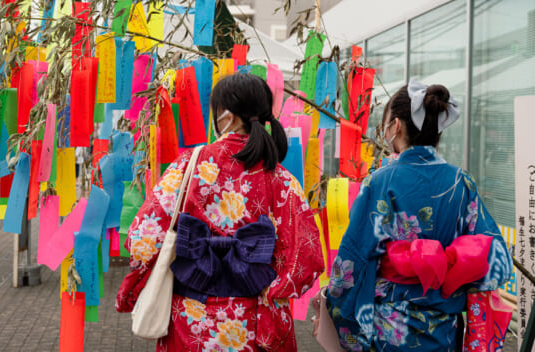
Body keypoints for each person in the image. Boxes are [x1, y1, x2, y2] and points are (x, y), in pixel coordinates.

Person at [116, 73, 324, 351]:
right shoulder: (281, 179)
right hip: (254, 320)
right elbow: (306, 257)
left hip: (191, 320)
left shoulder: (188, 167)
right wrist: (274, 290)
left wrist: (135, 283)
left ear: (226, 116)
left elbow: (143, 238)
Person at [327, 81, 513, 351]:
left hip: (390, 330)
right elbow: (498, 261)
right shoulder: (462, 183)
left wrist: (345, 324)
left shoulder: (379, 182)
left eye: (385, 123)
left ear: (396, 127)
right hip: (445, 329)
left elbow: (351, 262)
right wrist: (454, 268)